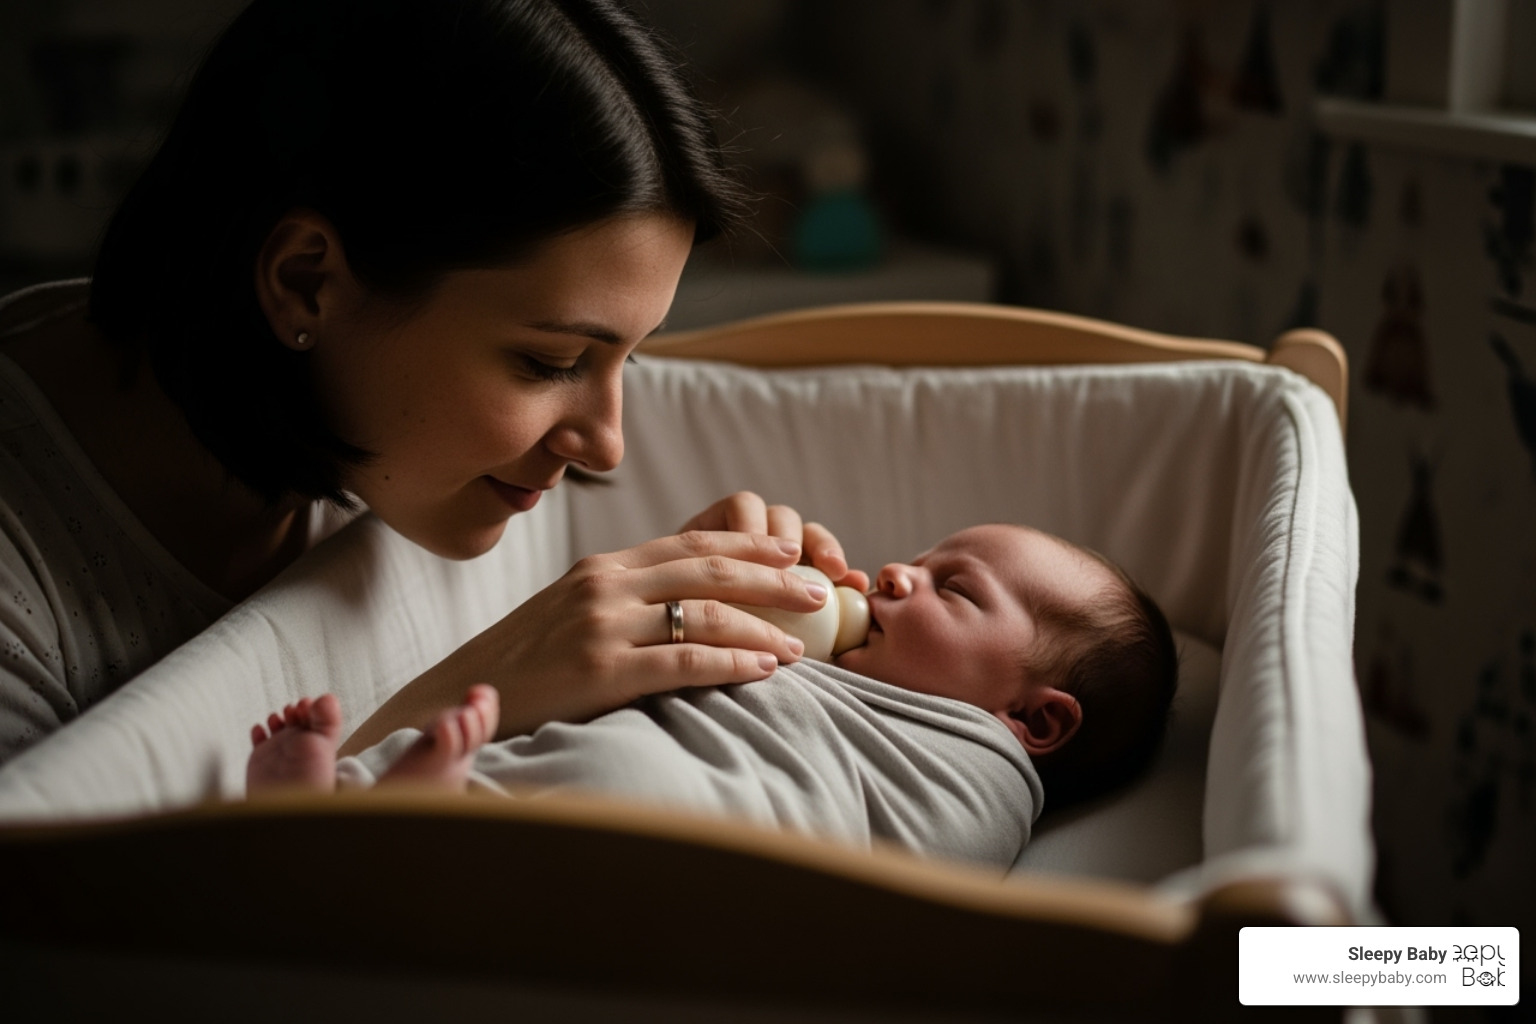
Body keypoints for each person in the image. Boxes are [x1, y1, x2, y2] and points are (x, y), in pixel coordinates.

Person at [0, 0, 868, 767]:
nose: (610, 442)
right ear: (306, 283)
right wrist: (465, 702)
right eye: (550, 362)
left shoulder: (338, 414)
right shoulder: (29, 583)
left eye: (627, 358)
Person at [248, 524, 1180, 865]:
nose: (898, 572)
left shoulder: (982, 777)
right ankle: (351, 806)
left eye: (957, 589)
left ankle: (380, 820)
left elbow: (903, 908)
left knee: (580, 795)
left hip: (708, 828)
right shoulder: (830, 667)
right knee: (528, 765)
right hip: (633, 771)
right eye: (925, 557)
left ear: (1033, 720)